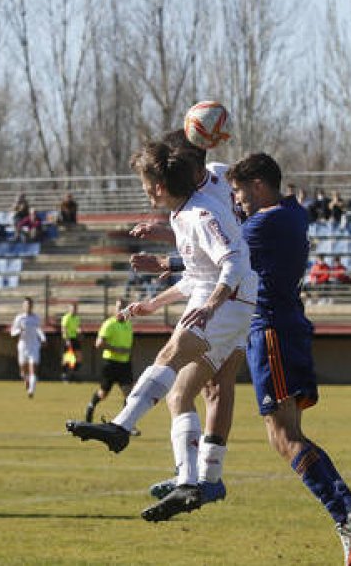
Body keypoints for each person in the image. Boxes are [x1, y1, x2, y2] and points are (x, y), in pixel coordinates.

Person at [66, 140, 258, 524]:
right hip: (228, 302)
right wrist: (153, 305)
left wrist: (212, 305)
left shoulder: (201, 215)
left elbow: (234, 263)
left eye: (143, 182)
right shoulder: (183, 215)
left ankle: (122, 427)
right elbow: (197, 275)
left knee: (169, 356)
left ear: (157, 186)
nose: (143, 189)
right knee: (179, 395)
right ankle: (188, 481)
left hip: (230, 302)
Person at [227, 153, 351, 565]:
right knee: (287, 434)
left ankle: (344, 512)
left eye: (240, 192)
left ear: (259, 185)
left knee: (283, 436)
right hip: (288, 326)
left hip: (271, 331)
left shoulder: (265, 222)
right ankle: (347, 514)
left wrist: (167, 257)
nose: (237, 201)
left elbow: (220, 257)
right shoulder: (292, 212)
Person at [129, 128, 247, 511]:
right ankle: (203, 478)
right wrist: (169, 249)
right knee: (210, 388)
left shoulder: (215, 188)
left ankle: (198, 479)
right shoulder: (209, 187)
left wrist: (207, 297)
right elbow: (211, 248)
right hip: (238, 289)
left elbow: (227, 251)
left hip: (239, 293)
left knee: (197, 390)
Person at [84, 299, 135, 423]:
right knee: (103, 394)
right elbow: (98, 344)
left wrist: (127, 351)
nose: (121, 310)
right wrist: (115, 349)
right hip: (110, 363)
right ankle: (91, 407)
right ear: (114, 309)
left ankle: (125, 423)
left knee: (129, 395)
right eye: (119, 307)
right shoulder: (109, 324)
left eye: (124, 307)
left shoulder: (129, 325)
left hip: (125, 364)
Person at [10, 296, 46, 398]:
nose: (28, 306)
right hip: (22, 346)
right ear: (23, 306)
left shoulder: (36, 318)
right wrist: (19, 331)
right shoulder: (19, 318)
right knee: (23, 371)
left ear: (32, 306)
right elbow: (12, 332)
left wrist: (43, 339)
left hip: (34, 345)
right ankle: (26, 379)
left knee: (33, 368)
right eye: (26, 305)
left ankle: (31, 391)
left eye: (29, 305)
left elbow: (39, 330)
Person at [60, 303, 82, 382]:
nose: (74, 310)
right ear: (69, 309)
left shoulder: (77, 318)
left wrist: (79, 331)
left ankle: (74, 374)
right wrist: (67, 340)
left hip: (75, 338)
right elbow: (64, 329)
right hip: (68, 339)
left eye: (75, 309)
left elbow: (78, 327)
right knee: (67, 358)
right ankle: (64, 375)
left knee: (78, 357)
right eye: (72, 309)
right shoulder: (66, 317)